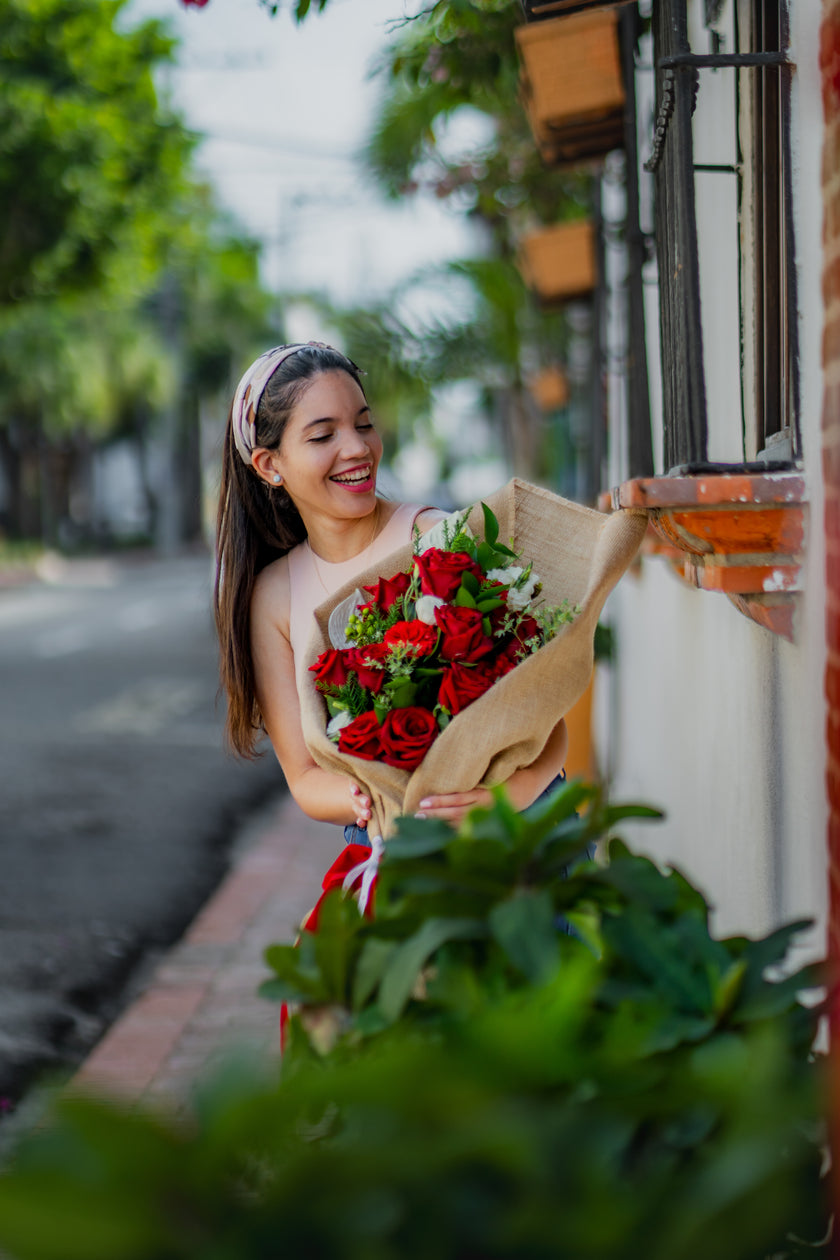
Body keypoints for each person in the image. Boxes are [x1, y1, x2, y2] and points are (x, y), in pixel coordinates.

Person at [214, 342, 569, 841]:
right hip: (393, 842)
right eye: (323, 435)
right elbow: (305, 778)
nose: (358, 448)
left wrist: (504, 799)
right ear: (270, 464)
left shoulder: (437, 538)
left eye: (363, 424)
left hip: (521, 829)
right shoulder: (274, 597)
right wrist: (369, 797)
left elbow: (547, 716)